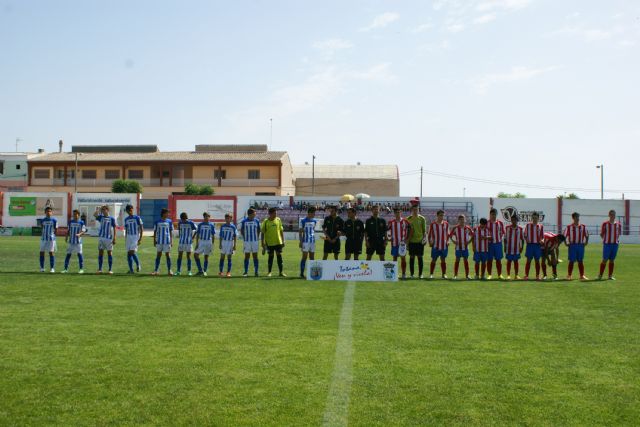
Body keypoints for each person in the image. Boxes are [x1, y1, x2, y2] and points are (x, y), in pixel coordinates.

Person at [261, 207, 286, 277]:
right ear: (270, 214)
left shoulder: (278, 220)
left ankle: (281, 272)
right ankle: (269, 272)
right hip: (269, 242)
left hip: (278, 242)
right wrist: (262, 243)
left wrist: (283, 240)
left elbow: (281, 230)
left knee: (279, 256)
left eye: (276, 213)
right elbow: (262, 233)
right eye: (274, 213)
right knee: (270, 257)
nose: (276, 214)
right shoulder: (266, 222)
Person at [564, 212, 589, 280]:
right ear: (573, 218)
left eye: (578, 217)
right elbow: (564, 236)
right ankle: (569, 275)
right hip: (572, 246)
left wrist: (586, 242)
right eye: (576, 217)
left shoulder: (583, 227)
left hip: (580, 245)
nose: (577, 218)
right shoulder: (569, 227)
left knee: (580, 261)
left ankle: (582, 275)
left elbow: (587, 235)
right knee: (571, 261)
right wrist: (566, 243)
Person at [598, 209, 622, 280]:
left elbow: (619, 233)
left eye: (613, 214)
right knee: (604, 259)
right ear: (609, 215)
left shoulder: (618, 224)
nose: (612, 216)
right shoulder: (605, 224)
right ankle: (600, 275)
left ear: (615, 215)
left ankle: (610, 276)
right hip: (607, 244)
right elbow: (601, 234)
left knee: (612, 260)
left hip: (615, 244)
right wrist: (606, 240)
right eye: (611, 214)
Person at [388, 208, 410, 279]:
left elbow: (410, 229)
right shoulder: (391, 222)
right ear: (394, 213)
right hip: (394, 243)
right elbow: (387, 230)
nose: (398, 214)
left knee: (403, 258)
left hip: (402, 243)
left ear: (401, 213)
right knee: (394, 258)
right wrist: (388, 237)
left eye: (399, 212)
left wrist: (407, 239)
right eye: (396, 212)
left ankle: (403, 274)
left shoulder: (405, 221)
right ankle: (395, 273)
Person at [406, 204, 427, 279]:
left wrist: (424, 239)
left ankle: (420, 274)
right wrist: (407, 242)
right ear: (412, 210)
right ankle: (412, 274)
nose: (415, 211)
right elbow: (407, 231)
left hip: (419, 241)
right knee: (411, 257)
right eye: (414, 209)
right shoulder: (408, 219)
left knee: (420, 257)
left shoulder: (422, 219)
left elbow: (424, 231)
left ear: (418, 210)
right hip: (411, 241)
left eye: (417, 209)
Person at [94, 205, 116, 274]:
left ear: (107, 210)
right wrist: (99, 209)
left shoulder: (112, 218)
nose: (102, 211)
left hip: (109, 238)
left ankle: (110, 269)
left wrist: (114, 237)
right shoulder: (101, 217)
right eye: (102, 210)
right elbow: (94, 215)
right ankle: (100, 269)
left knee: (109, 253)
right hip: (101, 238)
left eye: (104, 210)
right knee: (100, 253)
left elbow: (115, 228)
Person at [449, 214, 473, 280]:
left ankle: (467, 275)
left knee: (466, 260)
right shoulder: (455, 228)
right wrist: (454, 241)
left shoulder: (468, 228)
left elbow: (473, 236)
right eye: (460, 219)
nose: (462, 220)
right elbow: (450, 235)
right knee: (457, 260)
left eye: (463, 219)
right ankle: (455, 275)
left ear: (465, 220)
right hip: (458, 248)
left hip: (465, 248)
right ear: (458, 220)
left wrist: (469, 242)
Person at [62, 209, 86, 274]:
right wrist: (66, 237)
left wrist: (79, 234)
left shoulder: (81, 222)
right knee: (68, 254)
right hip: (71, 241)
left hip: (78, 242)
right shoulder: (70, 222)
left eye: (76, 214)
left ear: (78, 215)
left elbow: (84, 230)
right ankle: (65, 269)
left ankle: (81, 269)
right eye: (74, 214)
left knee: (79, 254)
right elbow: (68, 230)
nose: (74, 215)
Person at [428, 210, 450, 279]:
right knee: (434, 259)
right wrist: (430, 242)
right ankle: (431, 274)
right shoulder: (433, 224)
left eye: (443, 215)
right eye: (440, 215)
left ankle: (444, 274)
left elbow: (448, 234)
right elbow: (429, 234)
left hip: (444, 245)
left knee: (443, 260)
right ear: (437, 215)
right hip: (435, 246)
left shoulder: (446, 224)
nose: (442, 217)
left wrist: (448, 241)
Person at [523, 211, 544, 280]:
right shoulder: (528, 225)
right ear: (532, 218)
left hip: (537, 246)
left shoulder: (540, 226)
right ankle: (526, 275)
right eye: (533, 218)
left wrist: (542, 241)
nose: (535, 219)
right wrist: (527, 240)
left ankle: (537, 276)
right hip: (530, 245)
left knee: (537, 261)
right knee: (528, 260)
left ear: (538, 218)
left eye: (536, 218)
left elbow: (542, 236)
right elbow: (525, 235)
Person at [240, 208, 261, 277]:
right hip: (247, 241)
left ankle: (256, 271)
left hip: (255, 241)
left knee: (255, 256)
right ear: (251, 214)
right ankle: (246, 272)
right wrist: (245, 237)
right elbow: (242, 230)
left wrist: (257, 237)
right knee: (247, 256)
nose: (255, 214)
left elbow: (258, 229)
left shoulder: (256, 221)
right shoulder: (244, 221)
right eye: (254, 213)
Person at [152, 208, 173, 276]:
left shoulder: (169, 221)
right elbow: (155, 232)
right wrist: (154, 240)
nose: (168, 214)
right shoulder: (157, 221)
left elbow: (170, 231)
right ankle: (156, 270)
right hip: (159, 241)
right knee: (158, 255)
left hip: (167, 241)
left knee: (168, 255)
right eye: (167, 213)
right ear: (163, 213)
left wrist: (171, 241)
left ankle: (169, 270)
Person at [123, 204, 143, 274]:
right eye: (128, 210)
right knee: (128, 254)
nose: (130, 211)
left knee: (132, 252)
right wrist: (125, 239)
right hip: (128, 237)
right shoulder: (126, 219)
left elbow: (141, 228)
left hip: (135, 236)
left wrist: (140, 238)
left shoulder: (137, 218)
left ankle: (138, 265)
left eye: (131, 210)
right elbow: (126, 229)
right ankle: (131, 270)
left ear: (133, 209)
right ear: (127, 211)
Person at [487, 208, 506, 279]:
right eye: (492, 214)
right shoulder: (487, 223)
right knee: (489, 260)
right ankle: (489, 275)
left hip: (498, 244)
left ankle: (499, 274)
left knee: (498, 260)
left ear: (496, 215)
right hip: (490, 244)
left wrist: (499, 239)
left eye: (494, 214)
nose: (493, 216)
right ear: (490, 215)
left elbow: (502, 233)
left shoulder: (500, 223)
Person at [299, 207, 318, 278]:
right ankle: (301, 273)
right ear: (309, 213)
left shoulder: (314, 221)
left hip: (312, 242)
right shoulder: (303, 221)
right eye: (313, 213)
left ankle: (312, 274)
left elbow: (313, 231)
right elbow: (300, 232)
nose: (314, 214)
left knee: (312, 258)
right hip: (305, 242)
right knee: (304, 257)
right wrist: (300, 242)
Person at [504, 215, 525, 279]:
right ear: (511, 220)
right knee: (509, 261)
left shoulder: (520, 229)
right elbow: (505, 239)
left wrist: (522, 247)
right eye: (512, 220)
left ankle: (516, 275)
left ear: (517, 221)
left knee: (516, 262)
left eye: (515, 220)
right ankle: (508, 275)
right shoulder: (507, 228)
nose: (514, 221)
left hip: (517, 248)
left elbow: (522, 239)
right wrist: (505, 247)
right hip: (509, 248)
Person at [39, 206, 58, 273]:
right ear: (45, 212)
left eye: (50, 211)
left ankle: (52, 268)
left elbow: (56, 229)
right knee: (41, 253)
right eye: (47, 211)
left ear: (51, 212)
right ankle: (42, 268)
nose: (48, 212)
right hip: (43, 239)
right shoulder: (42, 220)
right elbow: (42, 228)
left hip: (51, 239)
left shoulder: (54, 220)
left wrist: (53, 236)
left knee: (51, 253)